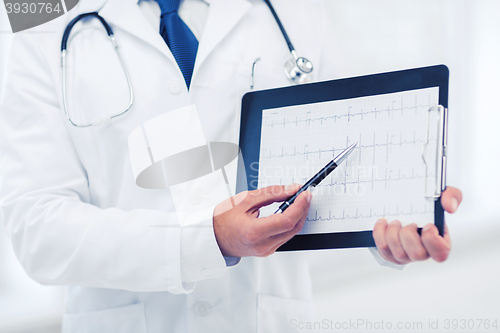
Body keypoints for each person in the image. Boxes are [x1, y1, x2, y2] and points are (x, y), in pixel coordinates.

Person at [0, 0, 462, 332]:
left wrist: (396, 225)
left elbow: (352, 149)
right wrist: (207, 241)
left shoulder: (295, 9)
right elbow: (37, 228)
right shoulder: (41, 18)